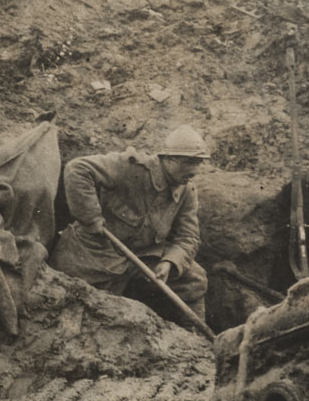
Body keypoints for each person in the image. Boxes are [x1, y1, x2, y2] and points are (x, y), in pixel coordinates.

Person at [51, 124, 210, 321]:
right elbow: (77, 169)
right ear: (169, 158)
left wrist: (170, 262)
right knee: (81, 306)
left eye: (199, 163)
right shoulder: (130, 167)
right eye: (189, 162)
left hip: (139, 258)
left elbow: (188, 238)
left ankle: (194, 339)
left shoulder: (186, 191)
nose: (195, 170)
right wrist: (90, 217)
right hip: (94, 255)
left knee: (194, 278)